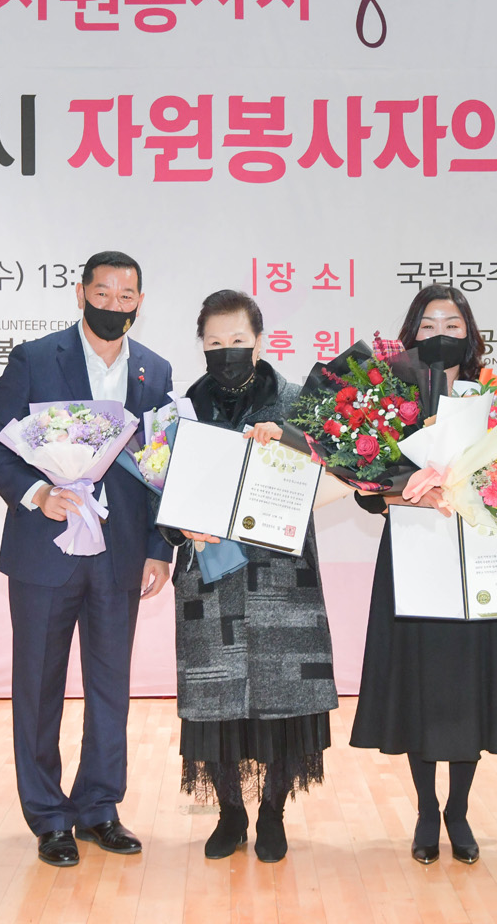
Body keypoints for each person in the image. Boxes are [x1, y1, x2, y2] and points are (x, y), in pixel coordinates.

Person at [0, 251, 175, 868]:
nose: (113, 305)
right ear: (81, 294)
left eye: (126, 296)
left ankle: (99, 808)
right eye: (102, 293)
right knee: (38, 686)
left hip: (120, 554)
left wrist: (158, 548)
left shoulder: (155, 370)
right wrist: (38, 493)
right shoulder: (36, 358)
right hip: (46, 550)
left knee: (111, 686)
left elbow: (162, 465)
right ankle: (49, 816)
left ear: (140, 302)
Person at [349, 283, 497, 865]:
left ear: (469, 334)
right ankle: (426, 810)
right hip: (413, 556)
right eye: (428, 325)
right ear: (412, 335)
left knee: (468, 688)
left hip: (476, 562)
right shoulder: (388, 400)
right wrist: (404, 491)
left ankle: (458, 810)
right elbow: (365, 490)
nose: (440, 334)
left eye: (451, 325)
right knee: (421, 686)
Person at [163, 290, 339, 864]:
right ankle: (230, 814)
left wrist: (289, 439)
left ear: (259, 341)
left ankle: (272, 814)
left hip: (283, 577)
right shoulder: (182, 410)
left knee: (284, 697)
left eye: (237, 340)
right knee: (214, 700)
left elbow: (340, 466)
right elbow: (160, 492)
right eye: (215, 342)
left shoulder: (297, 401)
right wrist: (177, 527)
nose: (227, 351)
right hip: (209, 579)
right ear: (202, 345)